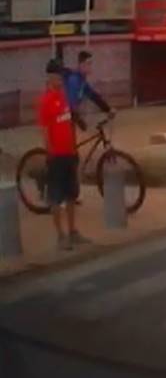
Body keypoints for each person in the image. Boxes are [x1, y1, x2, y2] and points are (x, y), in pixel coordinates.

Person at [39, 60, 87, 251]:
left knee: (71, 195)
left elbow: (68, 124)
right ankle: (60, 236)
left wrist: (74, 150)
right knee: (56, 198)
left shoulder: (63, 96)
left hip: (69, 153)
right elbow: (44, 130)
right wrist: (50, 152)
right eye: (57, 75)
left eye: (61, 76)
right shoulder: (45, 101)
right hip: (56, 156)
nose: (60, 79)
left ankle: (73, 232)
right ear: (50, 77)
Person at [63, 51, 112, 129]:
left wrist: (108, 109)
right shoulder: (74, 80)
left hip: (70, 118)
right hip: (63, 119)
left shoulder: (82, 81)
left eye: (91, 63)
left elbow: (92, 95)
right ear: (82, 65)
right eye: (89, 63)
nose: (91, 66)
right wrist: (79, 120)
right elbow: (71, 104)